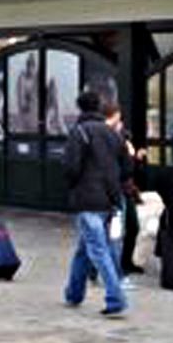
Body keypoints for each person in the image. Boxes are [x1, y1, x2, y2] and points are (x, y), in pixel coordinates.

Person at [62, 91, 127, 318]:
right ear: (99, 107)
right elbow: (125, 168)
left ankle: (115, 298)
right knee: (85, 249)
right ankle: (73, 293)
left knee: (98, 250)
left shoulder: (78, 132)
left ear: (80, 108)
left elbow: (71, 168)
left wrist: (73, 187)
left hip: (86, 200)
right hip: (109, 200)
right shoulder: (113, 134)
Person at [105, 104, 143, 277]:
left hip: (125, 189)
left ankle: (126, 261)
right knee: (114, 231)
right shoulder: (108, 137)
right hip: (114, 190)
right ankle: (111, 267)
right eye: (118, 119)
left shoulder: (120, 137)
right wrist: (132, 155)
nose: (120, 123)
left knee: (132, 227)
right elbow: (121, 166)